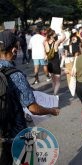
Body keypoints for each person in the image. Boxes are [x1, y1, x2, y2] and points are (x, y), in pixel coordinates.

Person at [0, 30, 60, 165]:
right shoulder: (16, 75)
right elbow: (33, 108)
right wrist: (52, 110)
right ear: (14, 49)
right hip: (17, 134)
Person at [44, 28, 66, 97]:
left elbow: (45, 50)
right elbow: (64, 37)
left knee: (53, 81)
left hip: (49, 64)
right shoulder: (56, 43)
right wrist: (62, 31)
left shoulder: (45, 42)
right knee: (58, 82)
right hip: (56, 64)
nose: (55, 34)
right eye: (54, 33)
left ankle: (54, 94)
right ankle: (54, 95)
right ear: (52, 35)